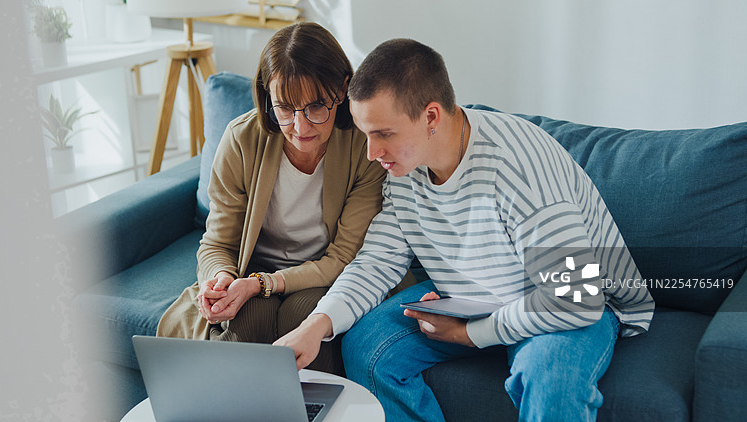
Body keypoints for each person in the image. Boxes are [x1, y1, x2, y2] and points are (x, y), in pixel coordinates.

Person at [275, 38, 655, 420]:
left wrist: (473, 333)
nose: (372, 153)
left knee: (549, 376)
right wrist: (316, 325)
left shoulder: (517, 168)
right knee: (365, 347)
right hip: (474, 295)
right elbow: (377, 261)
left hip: (567, 299)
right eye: (365, 133)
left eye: (384, 134)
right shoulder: (403, 170)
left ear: (431, 117)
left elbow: (576, 298)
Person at [156, 22, 386, 375]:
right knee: (246, 319)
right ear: (267, 98)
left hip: (327, 275)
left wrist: (263, 284)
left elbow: (344, 258)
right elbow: (218, 242)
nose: (301, 126)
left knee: (302, 316)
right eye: (285, 109)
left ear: (342, 90)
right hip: (253, 271)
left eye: (316, 107)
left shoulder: (364, 145)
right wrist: (218, 280)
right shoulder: (241, 139)